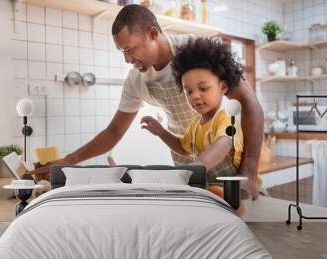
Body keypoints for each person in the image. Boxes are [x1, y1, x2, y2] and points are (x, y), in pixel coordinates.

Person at [27, 4, 263, 199]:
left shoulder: (196, 50)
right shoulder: (136, 81)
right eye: (122, 52)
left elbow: (250, 104)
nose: (128, 60)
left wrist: (249, 173)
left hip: (229, 165)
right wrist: (69, 161)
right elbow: (113, 132)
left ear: (152, 34)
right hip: (186, 164)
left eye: (130, 49)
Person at [141, 37, 261, 216]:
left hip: (239, 194)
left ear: (223, 87)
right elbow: (183, 148)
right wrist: (161, 132)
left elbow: (224, 144)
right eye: (188, 91)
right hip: (215, 195)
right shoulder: (196, 125)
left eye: (203, 88)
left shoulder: (226, 117)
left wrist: (199, 165)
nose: (195, 96)